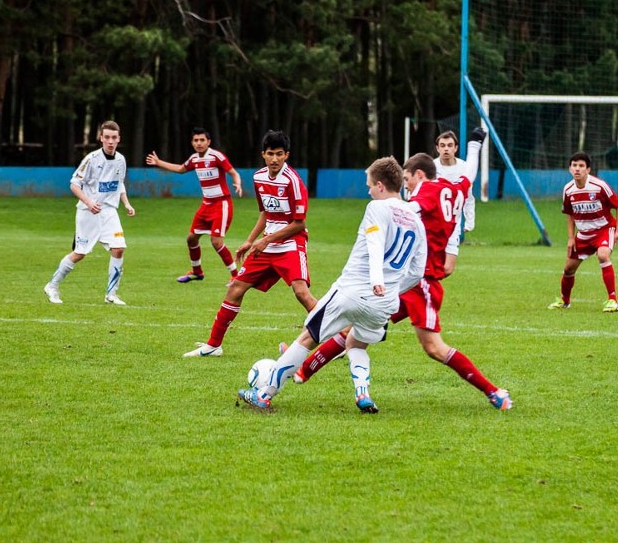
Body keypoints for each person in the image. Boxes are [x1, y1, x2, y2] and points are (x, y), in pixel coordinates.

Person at [292, 128, 513, 411]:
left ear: (419, 175)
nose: (405, 185)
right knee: (357, 324)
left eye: (407, 179)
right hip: (404, 281)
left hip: (420, 282)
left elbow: (405, 215)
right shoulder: (454, 187)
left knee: (434, 347)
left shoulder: (426, 194)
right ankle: (302, 368)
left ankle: (494, 392)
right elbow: (468, 176)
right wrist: (473, 146)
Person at [237, 156, 427, 413]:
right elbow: (416, 272)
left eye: (370, 185)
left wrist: (376, 280)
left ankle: (263, 394)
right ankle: (363, 394)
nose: (368, 190)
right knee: (357, 344)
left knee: (307, 338)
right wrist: (389, 287)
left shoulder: (377, 208)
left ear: (381, 185)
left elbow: (374, 243)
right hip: (384, 303)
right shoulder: (416, 220)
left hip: (352, 290)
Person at [183, 130, 316, 357]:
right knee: (236, 288)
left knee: (301, 292)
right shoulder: (259, 177)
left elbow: (299, 224)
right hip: (266, 244)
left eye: (280, 154)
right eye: (271, 154)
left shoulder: (293, 181)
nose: (275, 159)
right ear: (263, 154)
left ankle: (337, 337)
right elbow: (265, 213)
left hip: (291, 244)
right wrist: (249, 241)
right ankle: (214, 345)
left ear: (287, 155)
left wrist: (265, 240)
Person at [44, 120, 135, 305]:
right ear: (101, 138)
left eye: (114, 138)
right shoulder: (91, 159)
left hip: (109, 211)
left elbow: (119, 184)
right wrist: (89, 202)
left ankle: (111, 294)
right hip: (88, 212)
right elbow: (74, 184)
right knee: (80, 253)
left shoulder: (121, 160)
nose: (110, 141)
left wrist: (126, 203)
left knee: (118, 249)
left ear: (119, 139)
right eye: (107, 137)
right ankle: (52, 286)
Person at [146, 127, 243, 284]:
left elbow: (233, 172)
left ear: (208, 142)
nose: (199, 143)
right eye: (196, 140)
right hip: (206, 205)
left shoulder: (216, 156)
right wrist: (158, 162)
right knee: (191, 239)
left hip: (221, 204)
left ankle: (235, 276)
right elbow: (179, 169)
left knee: (216, 242)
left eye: (202, 140)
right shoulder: (194, 159)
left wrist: (237, 183)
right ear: (192, 143)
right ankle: (197, 272)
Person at [548, 152, 618, 312]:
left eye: (581, 166)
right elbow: (569, 213)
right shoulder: (568, 190)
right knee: (569, 268)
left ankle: (613, 300)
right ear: (570, 168)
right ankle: (565, 301)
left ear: (588, 169)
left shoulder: (599, 186)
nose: (577, 169)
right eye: (574, 165)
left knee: (603, 255)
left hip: (604, 229)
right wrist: (571, 238)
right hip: (583, 234)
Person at [433, 130, 475, 278]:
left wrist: (469, 221)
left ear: (455, 148)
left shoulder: (464, 168)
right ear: (437, 148)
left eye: (449, 145)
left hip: (453, 222)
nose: (446, 149)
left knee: (448, 269)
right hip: (433, 221)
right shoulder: (431, 167)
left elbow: (469, 197)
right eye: (442, 145)